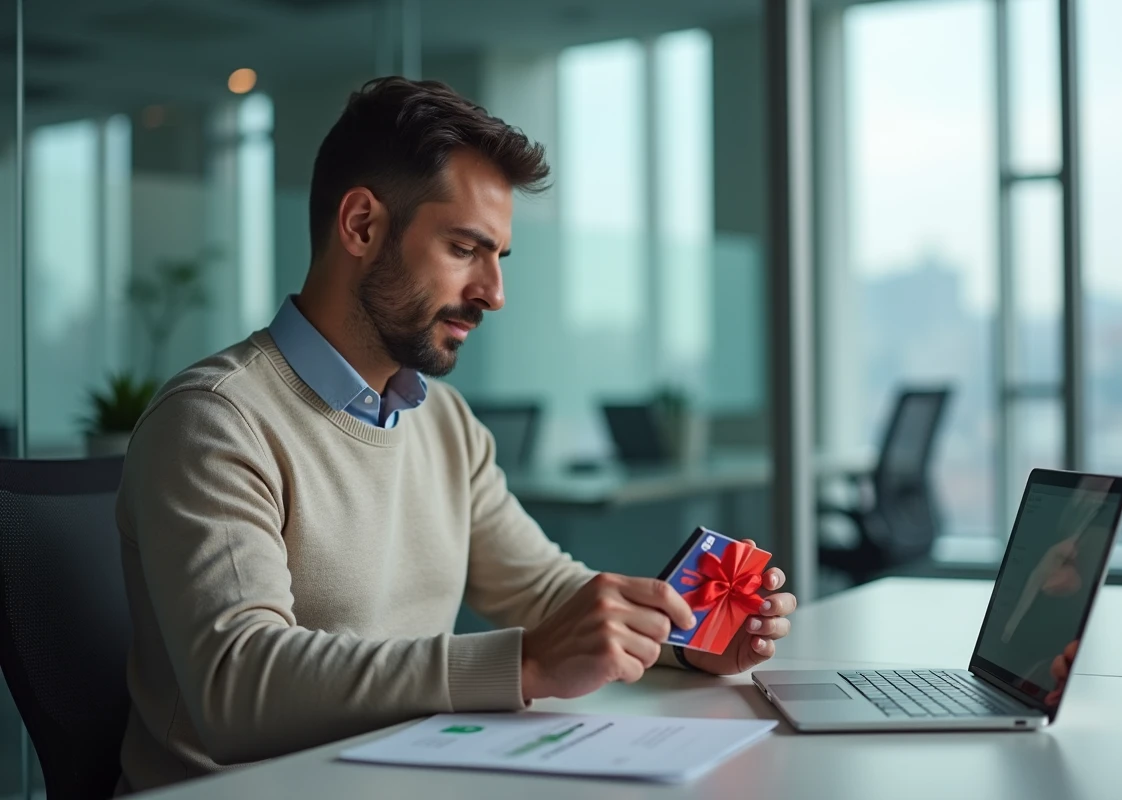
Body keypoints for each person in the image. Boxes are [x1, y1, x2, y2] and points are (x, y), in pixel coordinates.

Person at [114, 77, 797, 794]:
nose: (493, 293)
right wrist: (524, 665)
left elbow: (543, 592)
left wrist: (684, 641)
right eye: (465, 248)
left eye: (499, 257)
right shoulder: (216, 420)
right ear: (361, 226)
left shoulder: (442, 422)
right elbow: (237, 687)